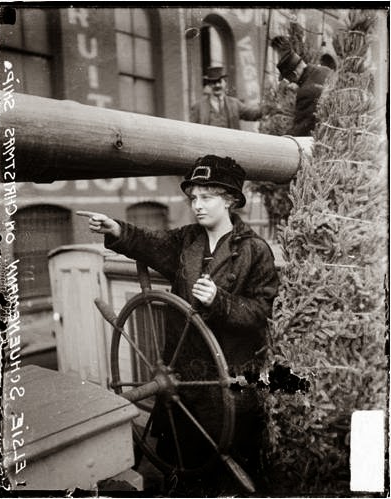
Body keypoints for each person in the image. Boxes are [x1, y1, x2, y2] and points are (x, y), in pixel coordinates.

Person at [78, 155, 279, 494]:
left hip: (226, 385)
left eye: (206, 197)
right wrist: (117, 230)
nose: (197, 205)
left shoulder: (255, 251)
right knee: (183, 463)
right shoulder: (187, 241)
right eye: (193, 198)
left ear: (230, 200)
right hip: (181, 379)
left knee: (223, 471)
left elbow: (261, 314)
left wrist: (221, 301)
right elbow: (148, 242)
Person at [271, 36, 333, 136]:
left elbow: (300, 130)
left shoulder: (305, 93)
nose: (290, 85)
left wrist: (281, 139)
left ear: (295, 74)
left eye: (290, 80)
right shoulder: (325, 70)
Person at [190, 66, 272, 130]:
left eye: (219, 82)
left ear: (225, 83)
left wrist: (268, 108)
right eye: (213, 82)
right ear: (209, 85)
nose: (217, 85)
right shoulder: (198, 107)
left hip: (230, 147)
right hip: (208, 148)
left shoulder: (234, 104)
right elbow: (192, 130)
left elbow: (252, 114)